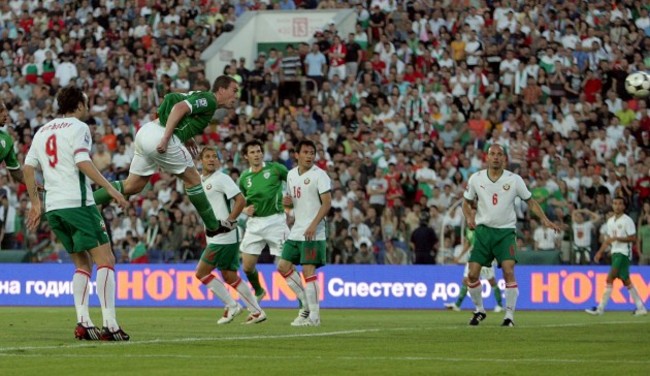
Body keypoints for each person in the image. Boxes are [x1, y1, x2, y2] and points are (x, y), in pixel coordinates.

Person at [23, 86, 130, 340]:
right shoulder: (79, 128)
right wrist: (109, 188)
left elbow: (28, 168)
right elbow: (82, 161)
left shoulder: (42, 130)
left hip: (55, 208)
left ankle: (83, 323)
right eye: (87, 102)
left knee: (82, 263)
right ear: (79, 105)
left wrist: (35, 204)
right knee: (106, 261)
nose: (88, 107)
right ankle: (111, 325)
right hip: (78, 203)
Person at [93, 75, 240, 237]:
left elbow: (180, 110)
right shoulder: (210, 100)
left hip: (146, 132)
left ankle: (87, 202)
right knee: (194, 180)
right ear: (221, 90)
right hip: (161, 136)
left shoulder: (203, 99)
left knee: (132, 186)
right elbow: (179, 108)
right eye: (234, 91)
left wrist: (188, 139)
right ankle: (213, 226)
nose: (236, 96)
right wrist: (165, 139)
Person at [462, 144, 561, 327]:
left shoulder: (514, 180)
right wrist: (469, 217)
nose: (496, 157)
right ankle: (479, 310)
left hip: (506, 232)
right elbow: (466, 203)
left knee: (508, 271)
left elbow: (530, 202)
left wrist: (545, 220)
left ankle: (509, 316)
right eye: (493, 154)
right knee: (472, 276)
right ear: (487, 157)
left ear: (504, 159)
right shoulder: (476, 178)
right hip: (483, 232)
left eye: (500, 154)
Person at [195, 147, 266, 324]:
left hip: (224, 236)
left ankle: (232, 305)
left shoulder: (222, 178)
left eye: (215, 157)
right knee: (229, 276)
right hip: (213, 235)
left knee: (201, 273)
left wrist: (229, 221)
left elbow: (241, 200)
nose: (212, 159)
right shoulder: (200, 181)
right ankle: (256, 311)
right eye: (207, 157)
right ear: (201, 160)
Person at [278, 140, 331, 327]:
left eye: (312, 153)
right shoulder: (291, 175)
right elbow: (293, 202)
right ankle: (306, 306)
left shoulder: (320, 175)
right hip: (297, 230)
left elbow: (327, 203)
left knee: (308, 272)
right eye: (306, 152)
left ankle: (314, 317)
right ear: (297, 154)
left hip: (313, 232)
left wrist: (313, 225)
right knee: (283, 266)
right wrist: (288, 202)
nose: (309, 156)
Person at [238, 139, 290, 301]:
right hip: (255, 224)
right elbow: (238, 201)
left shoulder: (275, 168)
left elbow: (295, 181)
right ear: (246, 156)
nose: (257, 155)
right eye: (252, 152)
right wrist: (245, 209)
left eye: (259, 151)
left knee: (285, 267)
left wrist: (291, 201)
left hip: (276, 221)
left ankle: (303, 301)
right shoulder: (244, 177)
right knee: (247, 267)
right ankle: (259, 291)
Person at [585, 197, 648, 316]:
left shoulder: (627, 220)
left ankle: (600, 308)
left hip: (623, 253)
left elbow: (633, 238)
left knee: (610, 278)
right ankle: (641, 307)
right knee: (626, 281)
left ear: (624, 206)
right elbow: (609, 240)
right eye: (615, 204)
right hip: (615, 253)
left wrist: (618, 238)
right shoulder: (610, 221)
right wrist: (600, 252)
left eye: (620, 204)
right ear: (612, 205)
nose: (617, 206)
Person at [444, 227, 504, 312]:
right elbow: (468, 243)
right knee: (466, 280)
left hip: (484, 256)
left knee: (491, 281)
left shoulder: (483, 226)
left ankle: (500, 305)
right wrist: (460, 256)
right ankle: (457, 305)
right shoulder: (468, 228)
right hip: (472, 257)